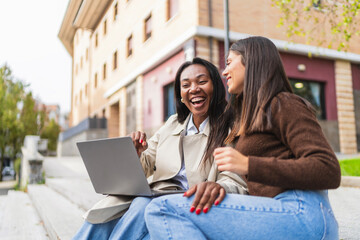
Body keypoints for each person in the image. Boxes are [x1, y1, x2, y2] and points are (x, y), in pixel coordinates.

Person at [144, 36, 341, 240]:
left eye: (229, 63)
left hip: (302, 212)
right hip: (273, 210)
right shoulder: (250, 115)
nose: (224, 71)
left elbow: (328, 169)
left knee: (162, 208)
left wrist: (248, 164)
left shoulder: (283, 103)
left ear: (251, 61)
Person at [72, 57, 247, 240]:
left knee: (141, 205)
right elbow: (147, 163)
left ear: (216, 87)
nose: (194, 89)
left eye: (202, 81)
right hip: (155, 194)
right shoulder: (172, 123)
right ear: (180, 94)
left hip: (188, 202)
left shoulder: (230, 127)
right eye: (186, 85)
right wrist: (136, 154)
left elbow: (234, 181)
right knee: (106, 211)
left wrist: (218, 187)